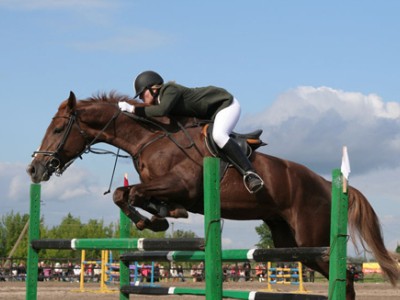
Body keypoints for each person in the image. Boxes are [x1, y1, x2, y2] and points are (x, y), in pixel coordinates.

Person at [118, 71, 263, 193]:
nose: (142, 98)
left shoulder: (169, 90)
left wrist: (132, 109)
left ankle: (250, 174)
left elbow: (160, 112)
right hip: (210, 114)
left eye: (142, 94)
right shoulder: (162, 99)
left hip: (225, 105)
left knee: (219, 136)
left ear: (153, 89)